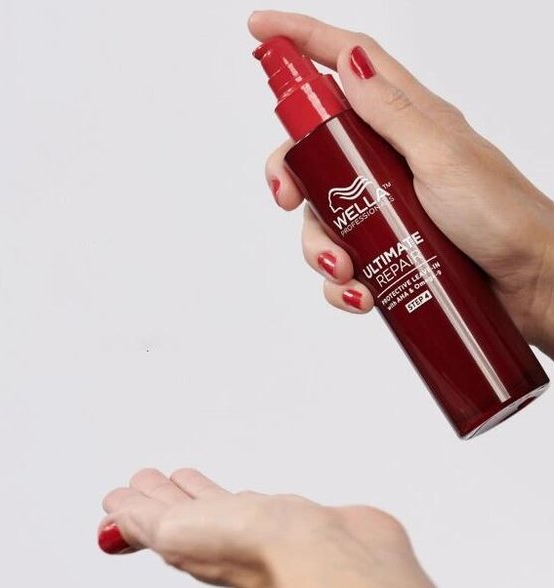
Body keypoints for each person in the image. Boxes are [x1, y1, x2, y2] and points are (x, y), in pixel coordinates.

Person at [96, 10, 554, 587]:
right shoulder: (312, 159)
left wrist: (542, 269)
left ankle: (499, 375)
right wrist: (542, 277)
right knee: (373, 259)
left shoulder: (366, 134)